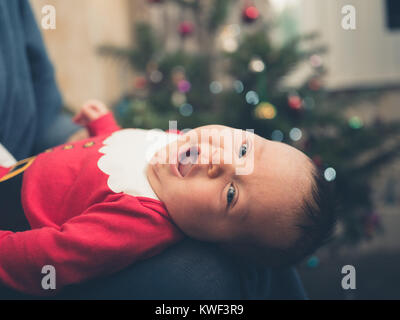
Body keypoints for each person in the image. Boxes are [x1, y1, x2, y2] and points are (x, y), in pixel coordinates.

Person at [0, 100, 335, 296]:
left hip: (13, 208)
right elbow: (126, 152)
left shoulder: (138, 222)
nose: (221, 161)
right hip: (18, 170)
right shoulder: (176, 143)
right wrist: (104, 127)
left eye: (232, 194)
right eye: (245, 149)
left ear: (218, 243)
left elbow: (49, 257)